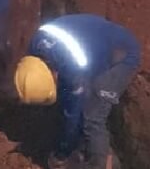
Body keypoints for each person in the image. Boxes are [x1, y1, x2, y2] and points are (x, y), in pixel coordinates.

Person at [14, 14, 141, 169]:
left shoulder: (74, 71)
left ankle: (103, 163)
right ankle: (88, 146)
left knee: (93, 117)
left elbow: (73, 116)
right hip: (96, 44)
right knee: (77, 102)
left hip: (122, 55)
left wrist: (61, 154)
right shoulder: (35, 46)